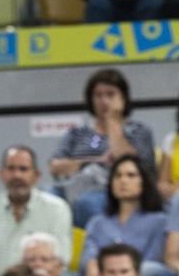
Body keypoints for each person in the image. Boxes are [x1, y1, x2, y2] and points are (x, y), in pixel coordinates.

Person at [53, 69, 157, 227]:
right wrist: (94, 160)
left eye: (110, 94)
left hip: (113, 192)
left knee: (87, 203)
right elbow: (56, 166)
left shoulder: (138, 130)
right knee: (45, 196)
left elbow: (133, 164)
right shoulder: (77, 133)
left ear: (123, 98)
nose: (103, 101)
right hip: (75, 188)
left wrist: (113, 122)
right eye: (98, 95)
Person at [0, 147, 73, 276]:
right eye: (11, 169)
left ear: (37, 175)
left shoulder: (57, 209)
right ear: (1, 174)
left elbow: (61, 261)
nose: (17, 175)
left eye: (23, 169)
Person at [81, 156, 170, 276]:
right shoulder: (97, 222)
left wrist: (123, 275)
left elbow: (154, 258)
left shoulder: (159, 221)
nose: (123, 180)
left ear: (144, 182)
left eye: (131, 175)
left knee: (148, 270)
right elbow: (90, 255)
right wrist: (93, 267)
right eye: (118, 176)